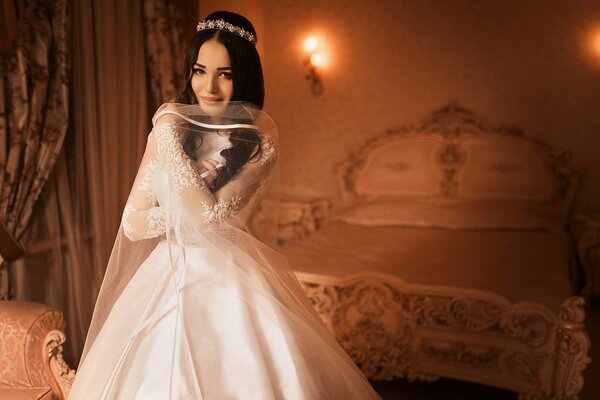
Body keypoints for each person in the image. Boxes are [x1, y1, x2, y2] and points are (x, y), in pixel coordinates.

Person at [68, 11, 381, 400]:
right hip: (163, 276)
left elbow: (207, 216)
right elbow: (133, 222)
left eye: (226, 74)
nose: (209, 86)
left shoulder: (259, 146)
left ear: (244, 77)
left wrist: (167, 141)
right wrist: (168, 139)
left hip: (227, 277)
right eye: (200, 71)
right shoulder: (170, 130)